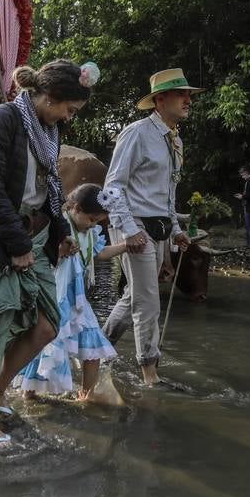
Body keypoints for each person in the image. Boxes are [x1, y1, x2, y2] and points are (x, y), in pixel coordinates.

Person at [0, 59, 97, 444]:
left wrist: (63, 231)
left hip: (33, 235)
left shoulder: (49, 131)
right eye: (69, 108)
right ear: (50, 96)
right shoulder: (2, 119)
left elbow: (53, 191)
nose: (68, 116)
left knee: (48, 324)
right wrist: (16, 246)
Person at [103, 68, 203, 386]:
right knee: (148, 302)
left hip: (158, 227)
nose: (188, 100)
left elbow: (168, 193)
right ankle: (150, 374)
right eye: (181, 94)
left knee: (135, 296)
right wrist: (130, 229)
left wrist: (176, 230)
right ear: (160, 100)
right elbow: (112, 186)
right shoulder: (136, 133)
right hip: (133, 226)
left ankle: (97, 349)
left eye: (189, 95)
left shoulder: (175, 140)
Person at [17, 183, 130, 401]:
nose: (93, 225)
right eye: (91, 219)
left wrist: (125, 246)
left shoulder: (89, 232)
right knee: (44, 347)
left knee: (94, 347)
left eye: (97, 221)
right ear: (75, 209)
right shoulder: (60, 228)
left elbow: (98, 253)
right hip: (55, 297)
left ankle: (86, 395)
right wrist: (60, 251)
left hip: (78, 302)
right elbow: (42, 258)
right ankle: (28, 392)